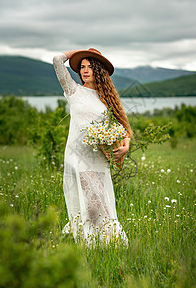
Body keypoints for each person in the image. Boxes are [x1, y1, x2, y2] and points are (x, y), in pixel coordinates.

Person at [53, 48, 133, 246]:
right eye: (82, 67)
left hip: (99, 158)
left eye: (90, 66)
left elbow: (122, 127)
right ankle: (100, 243)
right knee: (96, 203)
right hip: (78, 157)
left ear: (99, 71)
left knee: (95, 202)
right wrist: (79, 52)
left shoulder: (107, 98)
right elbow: (57, 60)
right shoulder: (73, 91)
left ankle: (98, 243)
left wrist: (125, 147)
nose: (84, 71)